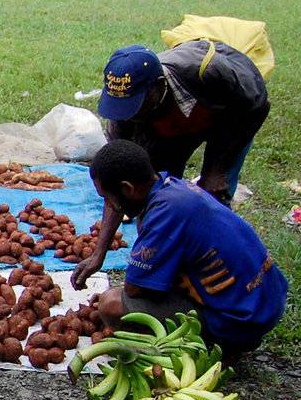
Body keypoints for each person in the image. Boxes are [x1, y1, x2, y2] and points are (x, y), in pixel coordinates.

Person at [72, 42, 270, 289]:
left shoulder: (209, 72)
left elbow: (257, 105)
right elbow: (116, 189)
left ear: (159, 87)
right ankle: (160, 271)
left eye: (136, 105)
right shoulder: (125, 117)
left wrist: (218, 168)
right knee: (156, 202)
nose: (129, 115)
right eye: (123, 108)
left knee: (214, 194)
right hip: (168, 130)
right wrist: (98, 254)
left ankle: (220, 277)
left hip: (226, 117)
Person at [86, 140, 287, 360]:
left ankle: (207, 348)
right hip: (265, 301)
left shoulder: (165, 215)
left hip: (240, 321)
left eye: (107, 197)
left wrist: (123, 295)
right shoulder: (171, 187)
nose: (110, 204)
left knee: (112, 305)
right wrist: (99, 255)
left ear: (127, 189)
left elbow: (134, 290)